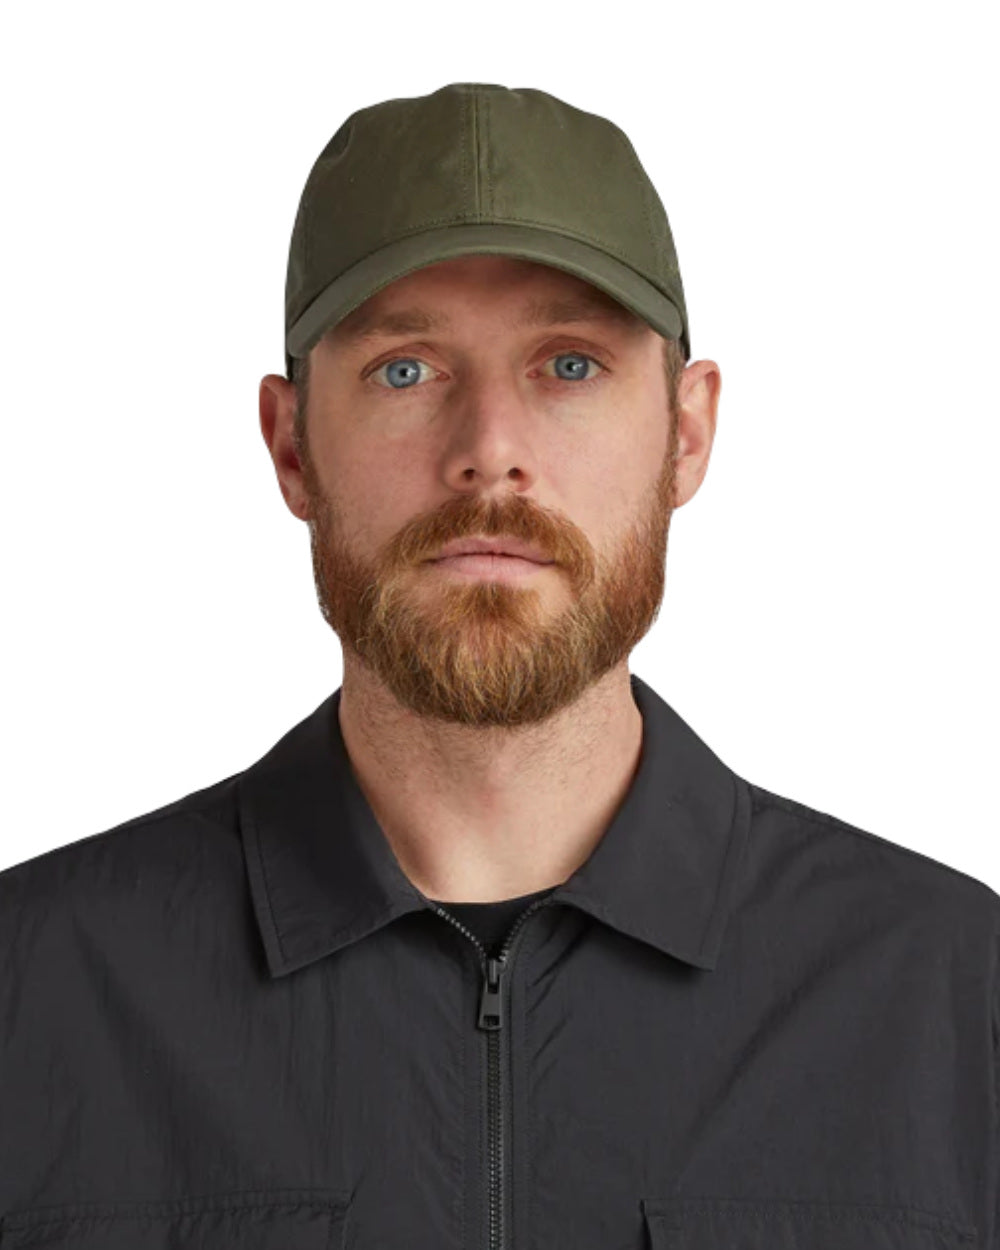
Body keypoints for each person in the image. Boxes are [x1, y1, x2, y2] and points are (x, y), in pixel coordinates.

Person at [1, 83, 997, 1250]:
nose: (489, 455)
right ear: (290, 445)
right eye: (405, 370)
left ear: (685, 432)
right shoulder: (35, 992)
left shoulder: (948, 999)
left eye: (568, 366)